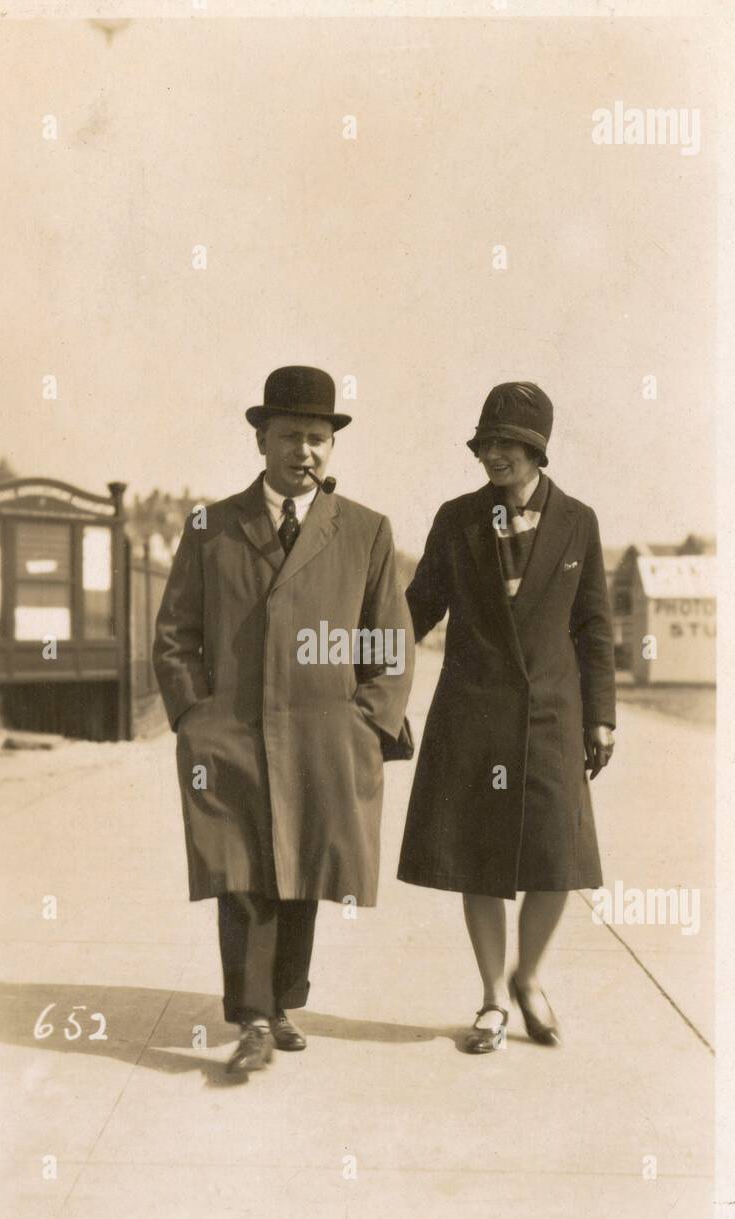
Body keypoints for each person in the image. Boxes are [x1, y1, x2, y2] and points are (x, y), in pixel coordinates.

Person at [153, 365, 413, 1076]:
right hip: (230, 733)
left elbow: (389, 643)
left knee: (304, 871)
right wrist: (193, 715)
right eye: (292, 435)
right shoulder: (211, 526)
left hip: (322, 734)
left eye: (320, 438)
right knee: (241, 872)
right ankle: (253, 1016)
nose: (307, 451)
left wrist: (366, 721)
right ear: (260, 440)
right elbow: (174, 634)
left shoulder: (365, 530)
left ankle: (283, 1002)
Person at [397, 382, 615, 1052]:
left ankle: (528, 978)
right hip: (474, 713)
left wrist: (600, 717)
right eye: (487, 443)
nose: (495, 454)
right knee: (480, 860)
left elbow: (595, 627)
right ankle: (493, 998)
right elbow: (417, 608)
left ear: (537, 451)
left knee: (558, 860)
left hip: (553, 714)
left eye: (509, 444)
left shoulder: (579, 522)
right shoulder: (458, 519)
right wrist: (360, 663)